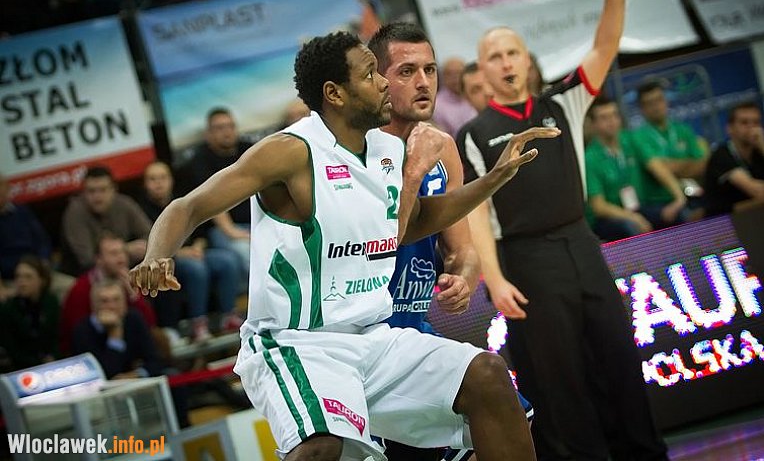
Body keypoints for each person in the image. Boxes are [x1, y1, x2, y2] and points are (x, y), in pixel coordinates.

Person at [129, 31, 559, 461]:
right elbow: (188, 207)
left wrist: (494, 178)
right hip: (297, 343)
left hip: (373, 337)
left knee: (488, 376)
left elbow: (413, 224)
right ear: (335, 93)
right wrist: (157, 254)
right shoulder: (290, 151)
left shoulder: (387, 150)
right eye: (371, 74)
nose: (384, 82)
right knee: (321, 448)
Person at [457, 0, 668, 461]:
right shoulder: (473, 134)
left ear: (527, 60)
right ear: (482, 72)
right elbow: (478, 212)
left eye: (512, 52)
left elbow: (605, 44)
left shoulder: (563, 101)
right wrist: (494, 278)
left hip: (581, 242)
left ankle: (644, 452)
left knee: (619, 357)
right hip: (527, 258)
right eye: (494, 57)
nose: (505, 62)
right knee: (560, 379)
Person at [369, 22, 533, 461]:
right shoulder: (357, 150)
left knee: (506, 417)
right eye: (406, 71)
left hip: (415, 324)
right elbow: (379, 243)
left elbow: (461, 249)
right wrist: (413, 170)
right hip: (364, 334)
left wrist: (462, 276)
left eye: (430, 69)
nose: (423, 82)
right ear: (377, 79)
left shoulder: (442, 146)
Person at [140, 161, 241, 339]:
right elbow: (149, 245)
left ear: (171, 180)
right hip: (169, 260)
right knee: (196, 269)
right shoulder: (141, 210)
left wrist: (197, 247)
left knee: (227, 260)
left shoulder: (182, 201)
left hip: (195, 252)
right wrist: (180, 253)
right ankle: (198, 323)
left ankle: (229, 315)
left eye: (163, 178)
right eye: (152, 179)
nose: (158, 183)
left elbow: (202, 231)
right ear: (145, 184)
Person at [176, 108, 253, 285]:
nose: (227, 132)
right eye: (219, 128)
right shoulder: (200, 162)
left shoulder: (249, 150)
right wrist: (233, 232)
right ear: (208, 134)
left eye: (230, 126)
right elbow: (212, 201)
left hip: (257, 221)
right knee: (247, 253)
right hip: (222, 229)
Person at [60, 233, 157, 356]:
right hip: (92, 351)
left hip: (129, 349)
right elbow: (77, 334)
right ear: (98, 259)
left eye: (123, 252)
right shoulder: (81, 288)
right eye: (113, 253)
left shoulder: (129, 281)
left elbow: (150, 325)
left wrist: (133, 295)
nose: (121, 259)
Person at [631, 79, 708, 223]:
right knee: (687, 216)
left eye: (659, 100)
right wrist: (686, 165)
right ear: (642, 109)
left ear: (666, 101)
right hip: (659, 202)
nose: (656, 106)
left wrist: (670, 166)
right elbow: (657, 168)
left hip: (692, 193)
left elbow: (702, 165)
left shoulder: (683, 129)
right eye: (649, 103)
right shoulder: (638, 137)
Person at [59, 166, 152, 276]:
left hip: (128, 269)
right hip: (84, 275)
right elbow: (87, 260)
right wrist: (124, 250)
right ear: (83, 193)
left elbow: (152, 235)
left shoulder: (124, 203)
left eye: (103, 190)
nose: (97, 196)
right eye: (91, 191)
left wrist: (142, 247)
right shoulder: (75, 212)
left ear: (113, 189)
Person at [585, 96, 653, 241]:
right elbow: (599, 206)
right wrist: (633, 217)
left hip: (637, 207)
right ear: (593, 124)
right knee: (630, 226)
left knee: (673, 213)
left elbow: (656, 165)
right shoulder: (590, 157)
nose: (611, 121)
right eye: (604, 118)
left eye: (614, 115)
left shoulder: (629, 140)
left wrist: (678, 197)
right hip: (608, 218)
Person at [704, 101, 764, 216]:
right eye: (744, 122)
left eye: (756, 122)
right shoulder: (721, 155)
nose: (752, 128)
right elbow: (758, 192)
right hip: (723, 221)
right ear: (729, 129)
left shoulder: (759, 152)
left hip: (753, 216)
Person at [0, 256, 59, 371]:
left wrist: (53, 357)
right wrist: (39, 364)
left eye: (28, 277)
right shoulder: (8, 309)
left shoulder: (51, 302)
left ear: (41, 280)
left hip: (51, 364)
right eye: (18, 276)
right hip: (20, 368)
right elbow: (12, 349)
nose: (22, 282)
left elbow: (56, 337)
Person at [0, 173, 52, 282]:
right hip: (10, 278)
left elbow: (42, 241)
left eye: (1, 186)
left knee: (70, 286)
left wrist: (44, 260)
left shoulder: (22, 210)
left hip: (38, 270)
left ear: (8, 188)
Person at [432, 57, 477, 137]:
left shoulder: (475, 96)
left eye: (459, 73)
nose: (456, 78)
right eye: (450, 74)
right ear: (443, 76)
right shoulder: (436, 104)